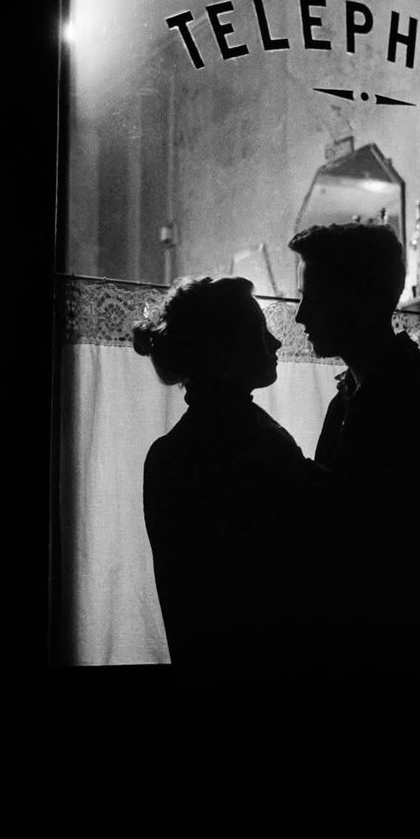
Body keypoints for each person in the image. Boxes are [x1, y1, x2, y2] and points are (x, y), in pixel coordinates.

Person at [289, 221, 420, 662]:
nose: (301, 315)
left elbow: (398, 551)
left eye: (312, 297)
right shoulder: (347, 400)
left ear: (356, 297)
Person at [135, 276, 323, 670]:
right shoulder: (260, 446)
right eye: (260, 331)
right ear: (225, 348)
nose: (276, 342)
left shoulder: (167, 455)